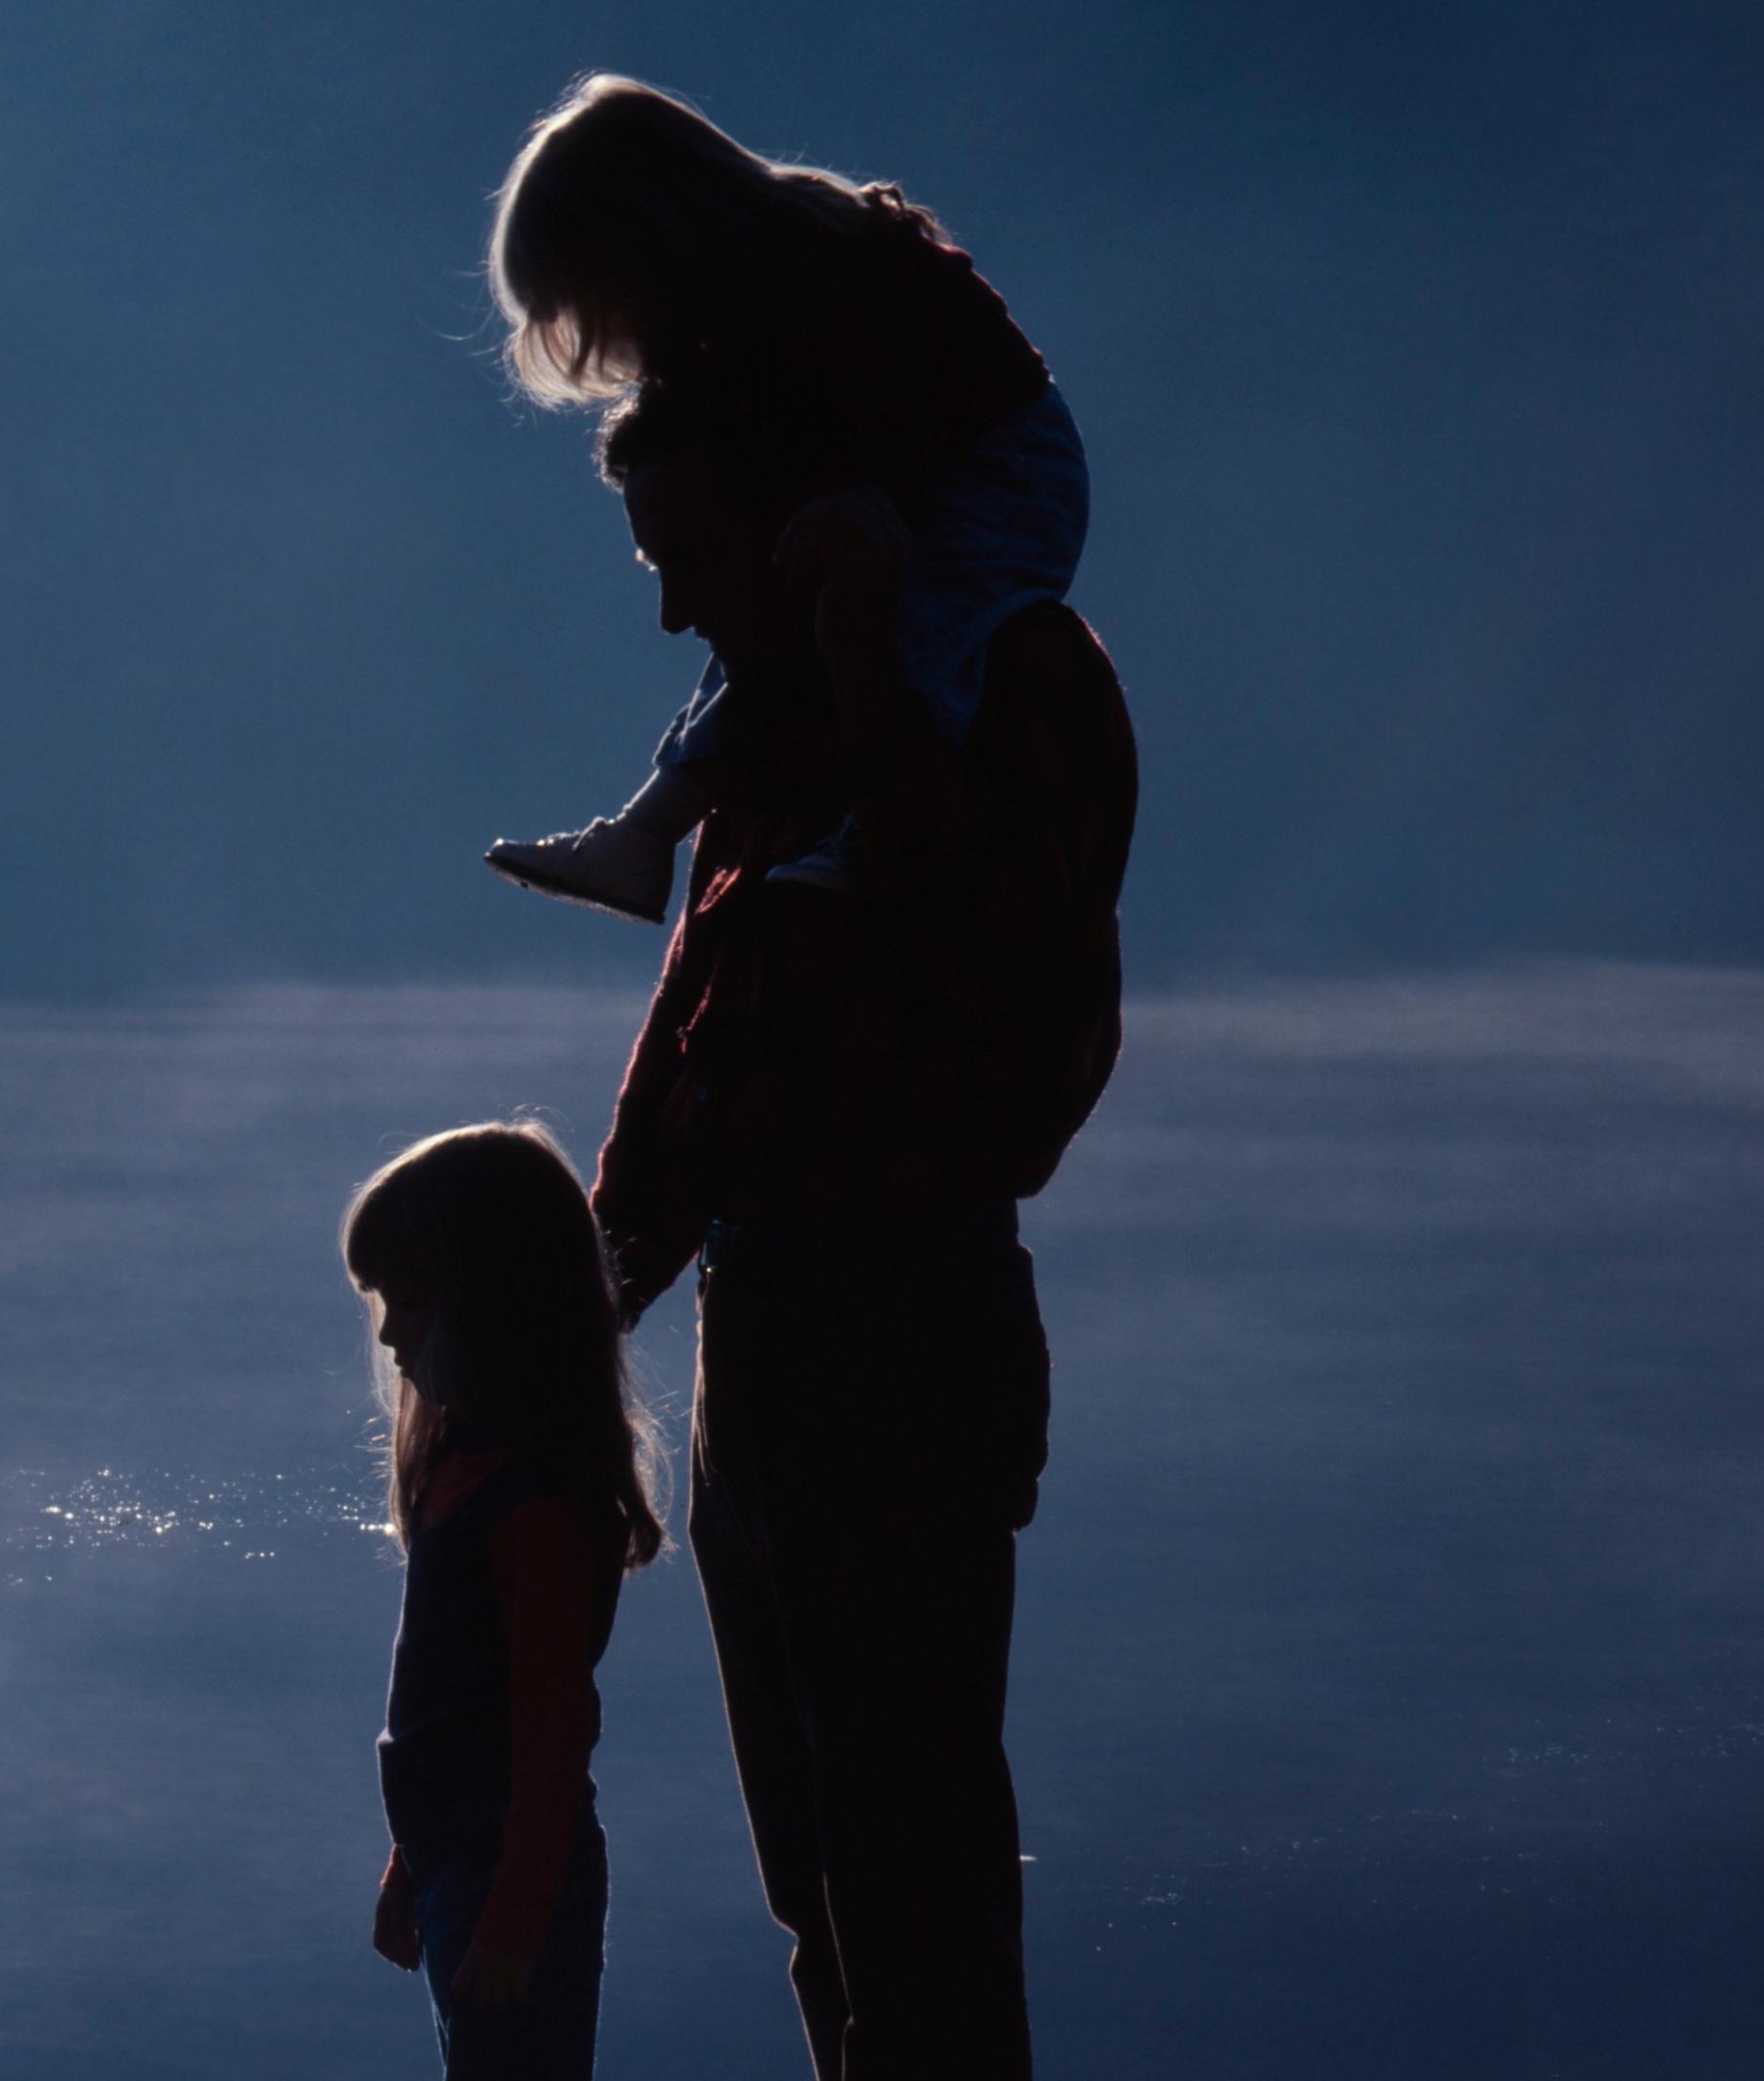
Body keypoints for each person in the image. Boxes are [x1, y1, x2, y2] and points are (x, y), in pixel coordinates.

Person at [573, 369, 1134, 2081]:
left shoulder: (1014, 681)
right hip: (764, 1357)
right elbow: (699, 1046)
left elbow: (1021, 1008)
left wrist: (874, 658)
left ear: (789, 518)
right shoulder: (770, 726)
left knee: (912, 1890)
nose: (668, 599)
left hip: (905, 1340)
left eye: (682, 548)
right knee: (826, 1898)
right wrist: (573, 1309)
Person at [480, 75, 1088, 926]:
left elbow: (887, 408)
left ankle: (876, 829)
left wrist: (864, 517)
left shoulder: (808, 260)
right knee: (763, 611)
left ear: (639, 241)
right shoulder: (742, 305)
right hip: (893, 465)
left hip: (1002, 472)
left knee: (930, 627)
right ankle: (646, 833)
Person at [343, 1121, 670, 2079]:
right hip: (458, 1875)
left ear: (493, 1309)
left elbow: (549, 1733)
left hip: (515, 1890)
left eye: (409, 1304)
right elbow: (455, 1711)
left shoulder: (533, 1510)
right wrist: (412, 1862)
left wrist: (519, 1916)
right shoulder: (460, 1469)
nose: (393, 1336)